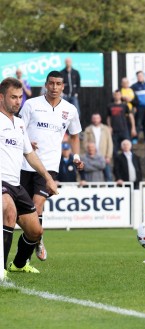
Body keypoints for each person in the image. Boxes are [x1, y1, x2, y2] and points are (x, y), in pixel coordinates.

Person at [19, 70, 84, 262]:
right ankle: (35, 235)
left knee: (37, 205)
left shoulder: (70, 109)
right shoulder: (31, 104)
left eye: (58, 84)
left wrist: (76, 156)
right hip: (23, 163)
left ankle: (31, 247)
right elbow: (18, 128)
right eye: (51, 83)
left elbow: (74, 135)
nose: (55, 87)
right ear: (46, 85)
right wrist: (27, 142)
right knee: (21, 211)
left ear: (63, 87)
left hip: (48, 167)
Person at [1, 77, 59, 275]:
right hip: (2, 183)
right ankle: (1, 269)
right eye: (13, 97)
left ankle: (18, 264)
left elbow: (30, 154)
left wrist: (48, 177)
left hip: (15, 184)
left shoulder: (19, 124)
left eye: (20, 97)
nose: (18, 101)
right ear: (1, 98)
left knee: (35, 231)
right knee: (8, 212)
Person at [83, 113, 113, 182]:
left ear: (100, 119)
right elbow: (85, 143)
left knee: (108, 176)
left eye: (97, 118)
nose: (96, 120)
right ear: (92, 119)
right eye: (94, 118)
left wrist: (108, 156)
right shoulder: (88, 129)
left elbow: (109, 143)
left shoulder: (105, 129)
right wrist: (89, 154)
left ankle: (110, 191)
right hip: (92, 158)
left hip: (104, 156)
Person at [107, 90, 135, 154]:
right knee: (115, 149)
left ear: (121, 96)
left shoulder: (124, 105)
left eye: (118, 95)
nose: (117, 96)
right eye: (115, 95)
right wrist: (109, 126)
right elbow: (108, 117)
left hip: (124, 129)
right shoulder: (110, 106)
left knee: (129, 147)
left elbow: (131, 116)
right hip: (114, 131)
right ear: (113, 96)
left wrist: (133, 128)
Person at [131, 71, 145, 141]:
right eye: (138, 76)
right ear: (137, 77)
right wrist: (134, 106)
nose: (140, 77)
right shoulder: (133, 86)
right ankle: (135, 139)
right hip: (139, 108)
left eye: (141, 76)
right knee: (138, 123)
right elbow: (132, 98)